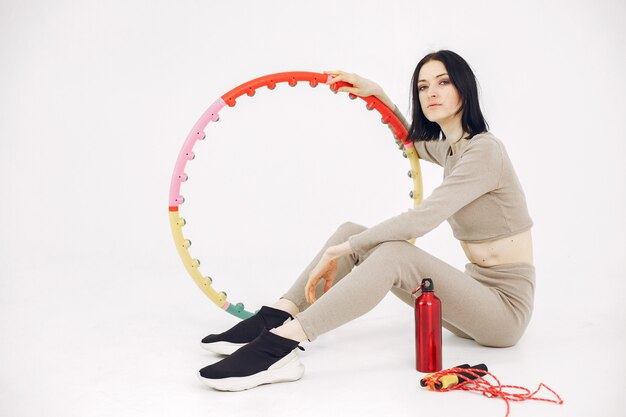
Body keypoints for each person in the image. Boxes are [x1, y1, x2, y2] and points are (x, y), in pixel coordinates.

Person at [197, 50, 535, 392]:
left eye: (444, 82)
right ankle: (276, 316)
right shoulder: (452, 149)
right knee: (351, 230)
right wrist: (377, 94)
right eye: (422, 86)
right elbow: (412, 143)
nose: (431, 92)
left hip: (503, 312)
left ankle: (281, 345)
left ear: (465, 89)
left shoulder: (485, 151)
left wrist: (344, 251)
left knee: (391, 254)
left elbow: (422, 219)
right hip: (469, 302)